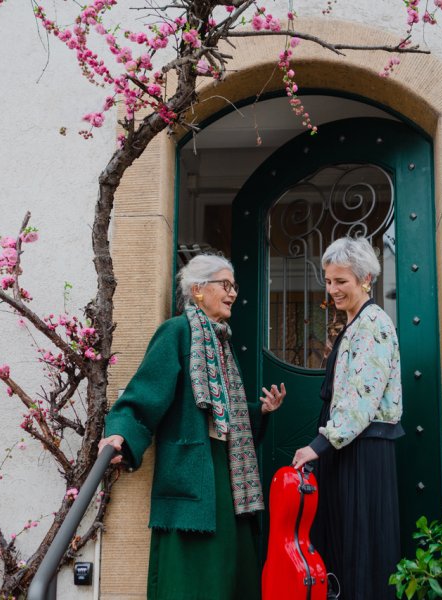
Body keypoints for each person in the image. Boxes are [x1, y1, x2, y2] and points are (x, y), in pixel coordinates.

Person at [99, 253, 285, 600]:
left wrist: (259, 411)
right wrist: (121, 434)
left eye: (234, 287)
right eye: (225, 285)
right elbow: (146, 391)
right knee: (193, 577)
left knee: (230, 568)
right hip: (193, 471)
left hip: (226, 471)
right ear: (199, 290)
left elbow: (223, 412)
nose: (233, 294)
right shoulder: (177, 332)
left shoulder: (221, 342)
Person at [292, 236, 403, 600]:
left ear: (365, 279)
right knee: (344, 549)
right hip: (348, 448)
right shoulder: (355, 323)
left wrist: (320, 445)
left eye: (341, 281)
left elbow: (362, 398)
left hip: (362, 449)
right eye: (328, 280)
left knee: (362, 552)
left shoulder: (373, 323)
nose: (332, 289)